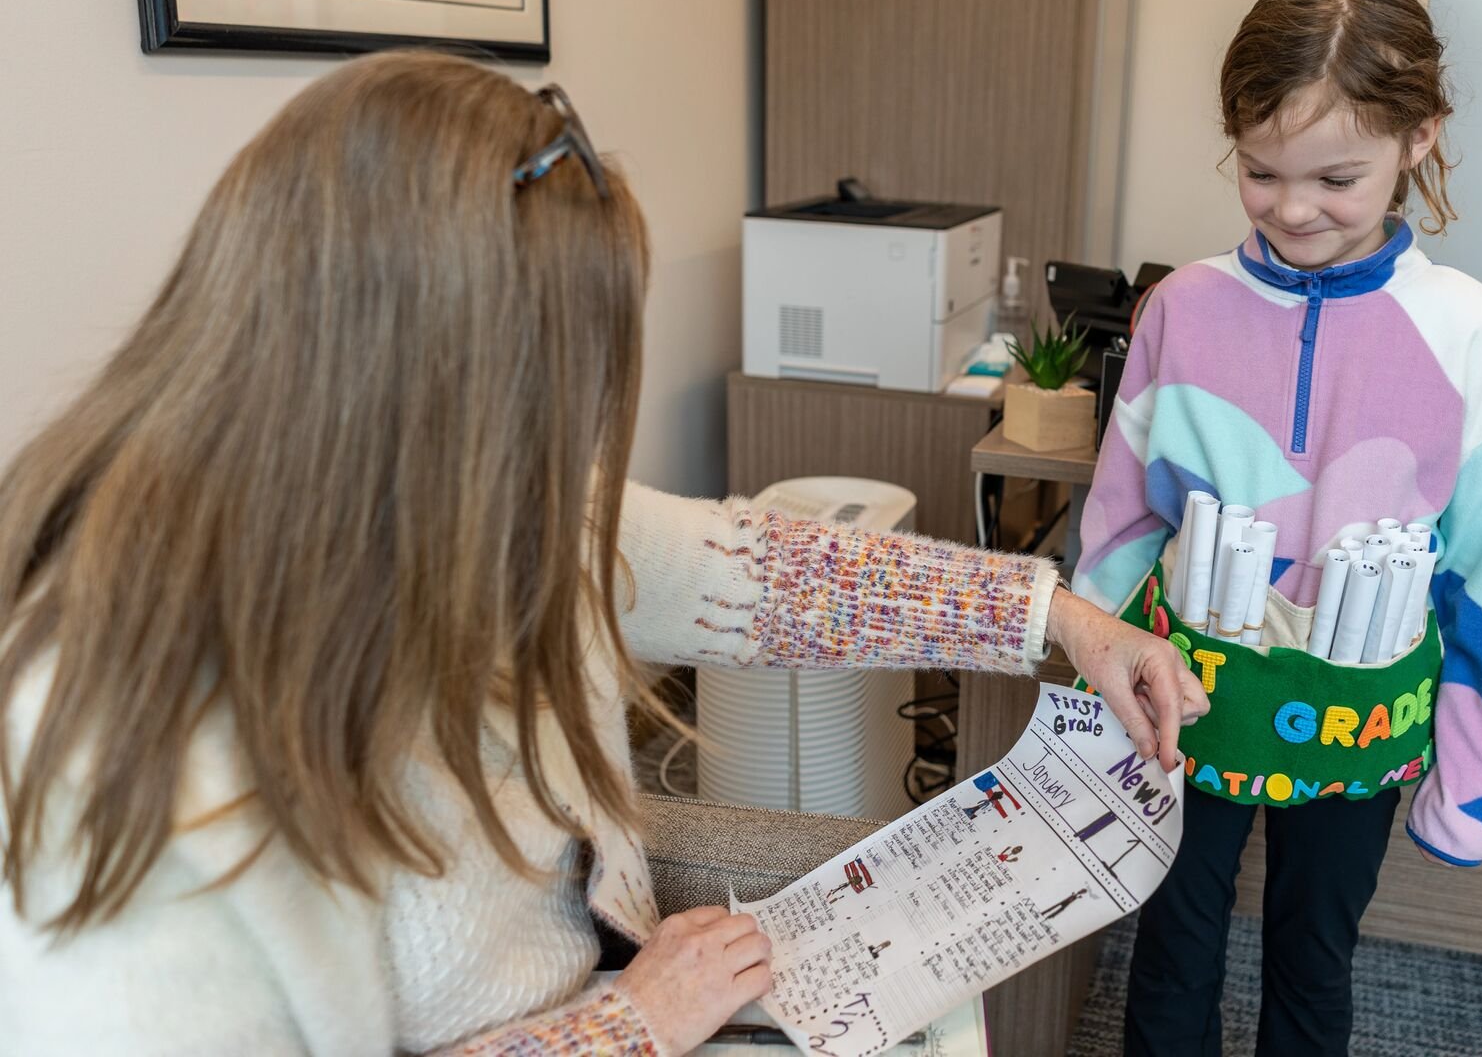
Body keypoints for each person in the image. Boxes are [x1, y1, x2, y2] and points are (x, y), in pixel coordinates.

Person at [0, 51, 1207, 1056]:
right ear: (406, 397)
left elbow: (762, 568)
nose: (573, 458)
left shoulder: (455, 506)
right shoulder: (129, 802)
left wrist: (1054, 619)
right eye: (551, 405)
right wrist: (630, 1025)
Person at [1074, 0, 1482, 1053]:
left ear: (1419, 137)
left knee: (1314, 956)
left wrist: (1471, 777)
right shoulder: (1183, 307)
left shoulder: (1466, 329)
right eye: (1259, 170)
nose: (1291, 208)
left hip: (1359, 712)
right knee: (1170, 947)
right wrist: (1100, 697)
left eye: (1337, 178)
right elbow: (1119, 520)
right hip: (1186, 704)